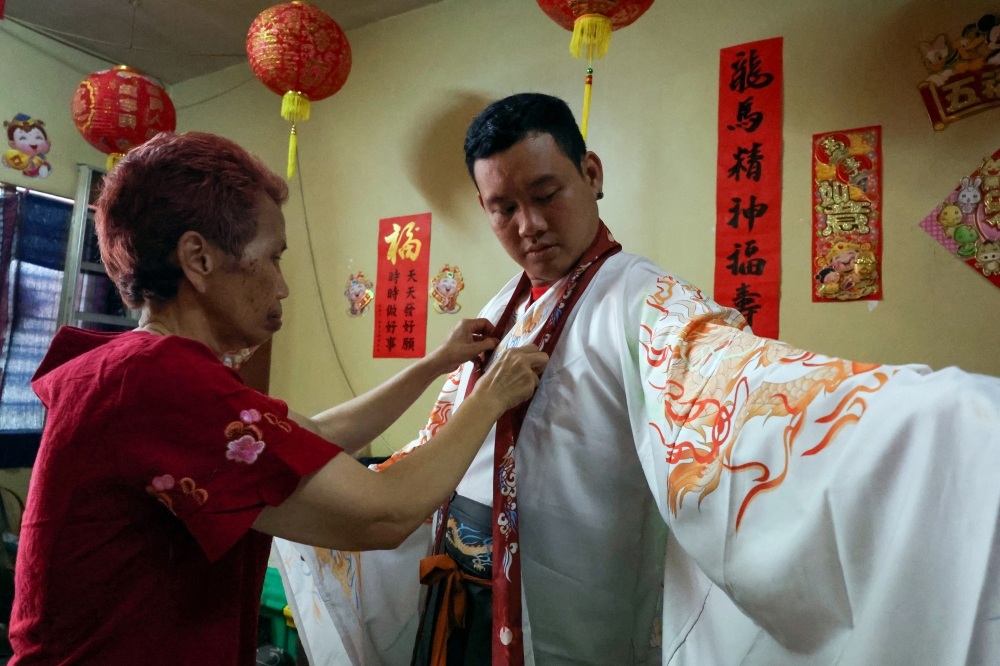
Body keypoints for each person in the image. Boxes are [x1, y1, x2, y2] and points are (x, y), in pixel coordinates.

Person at [283, 94, 1000, 666]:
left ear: (591, 174)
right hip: (459, 593)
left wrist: (939, 420)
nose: (528, 225)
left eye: (546, 192)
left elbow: (740, 382)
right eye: (504, 207)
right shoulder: (501, 307)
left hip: (571, 604)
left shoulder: (643, 299)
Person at [8, 131, 548, 666]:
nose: (283, 286)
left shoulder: (130, 369)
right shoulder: (155, 380)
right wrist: (490, 396)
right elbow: (381, 517)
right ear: (198, 259)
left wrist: (435, 365)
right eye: (273, 257)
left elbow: (313, 437)